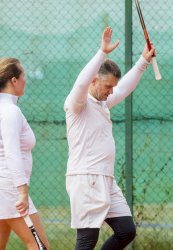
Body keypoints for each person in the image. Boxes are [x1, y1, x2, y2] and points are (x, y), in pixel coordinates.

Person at [64, 27, 156, 250]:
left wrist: (143, 62)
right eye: (107, 86)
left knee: (126, 231)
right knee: (87, 242)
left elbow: (123, 89)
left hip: (106, 178)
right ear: (94, 81)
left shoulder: (102, 103)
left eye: (112, 87)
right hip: (86, 180)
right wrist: (101, 53)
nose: (111, 91)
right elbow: (80, 83)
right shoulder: (77, 104)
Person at [0, 58, 50, 250]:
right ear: (14, 80)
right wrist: (22, 192)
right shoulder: (10, 111)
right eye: (23, 76)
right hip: (9, 190)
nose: (26, 80)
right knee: (40, 247)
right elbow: (11, 154)